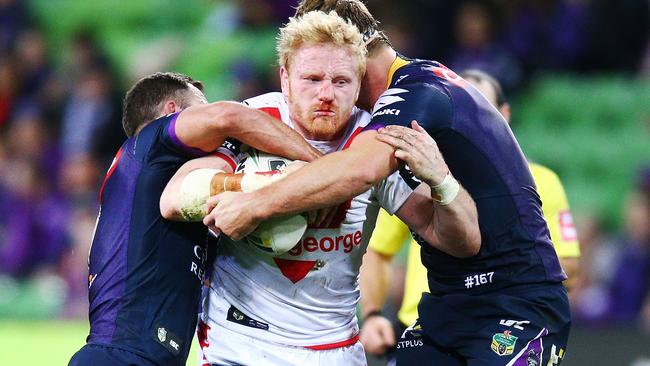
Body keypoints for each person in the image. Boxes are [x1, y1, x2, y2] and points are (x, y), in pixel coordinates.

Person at [204, 1, 571, 365]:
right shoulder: (412, 88)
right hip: (450, 302)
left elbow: (359, 170)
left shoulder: (414, 93)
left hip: (516, 299)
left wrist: (256, 203)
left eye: (333, 69)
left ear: (355, 54)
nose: (326, 91)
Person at [162, 11, 478, 365]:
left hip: (333, 349)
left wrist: (442, 182)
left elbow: (462, 241)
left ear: (359, 83)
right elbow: (175, 196)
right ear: (285, 78)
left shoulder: (375, 143)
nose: (326, 94)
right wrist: (258, 188)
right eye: (311, 79)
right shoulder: (253, 120)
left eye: (341, 82)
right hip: (239, 343)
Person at [68, 72, 319, 366]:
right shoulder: (150, 144)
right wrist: (321, 167)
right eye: (201, 108)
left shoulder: (148, 186)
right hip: (122, 357)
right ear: (172, 113)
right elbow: (228, 116)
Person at [358, 68, 581, 358]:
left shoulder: (542, 180)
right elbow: (377, 251)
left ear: (504, 115)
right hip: (425, 320)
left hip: (506, 318)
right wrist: (373, 312)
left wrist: (497, 277)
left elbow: (570, 269)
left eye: (479, 111)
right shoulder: (415, 178)